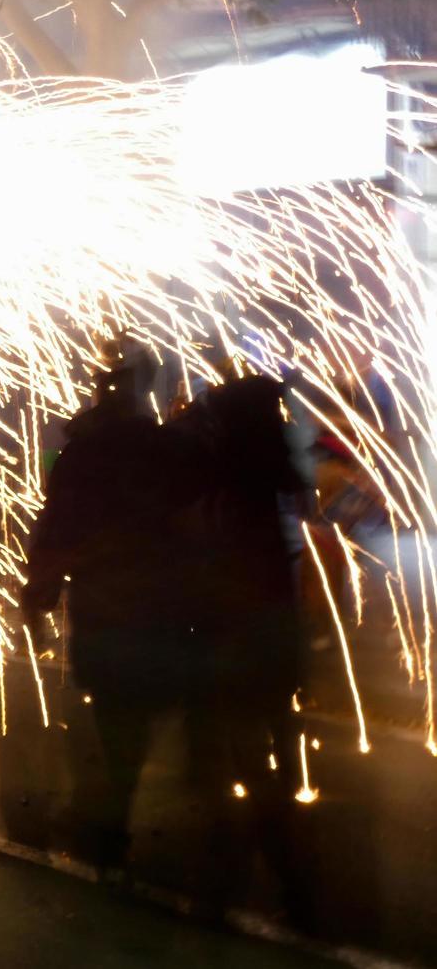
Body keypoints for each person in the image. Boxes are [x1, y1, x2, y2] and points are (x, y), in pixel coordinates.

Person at [22, 350, 198, 881]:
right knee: (130, 708)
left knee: (113, 708)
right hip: (154, 600)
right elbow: (189, 524)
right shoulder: (166, 448)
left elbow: (58, 524)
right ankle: (111, 810)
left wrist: (40, 592)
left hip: (105, 601)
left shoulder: (88, 451)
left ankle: (108, 818)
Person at [175, 372, 317, 927]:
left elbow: (201, 563)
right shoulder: (272, 471)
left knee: (229, 765)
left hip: (233, 642)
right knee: (270, 760)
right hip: (275, 641)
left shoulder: (224, 478)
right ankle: (293, 883)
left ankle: (226, 885)